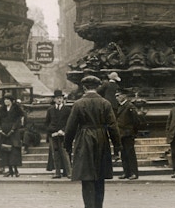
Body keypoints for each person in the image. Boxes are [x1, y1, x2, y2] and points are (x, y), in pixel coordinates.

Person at [64, 75, 121, 208]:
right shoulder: (105, 103)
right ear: (97, 87)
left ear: (84, 87)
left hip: (84, 139)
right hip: (101, 138)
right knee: (100, 177)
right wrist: (117, 146)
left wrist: (67, 145)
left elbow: (70, 127)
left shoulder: (78, 104)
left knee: (86, 177)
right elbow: (113, 126)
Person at [46, 89, 73, 179]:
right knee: (55, 154)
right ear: (54, 100)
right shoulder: (50, 110)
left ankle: (69, 173)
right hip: (53, 135)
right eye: (57, 98)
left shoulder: (67, 110)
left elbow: (69, 123)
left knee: (65, 154)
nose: (59, 100)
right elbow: (47, 123)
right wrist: (52, 132)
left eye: (61, 98)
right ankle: (57, 173)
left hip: (63, 135)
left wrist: (63, 131)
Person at [114, 89, 140, 180]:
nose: (117, 97)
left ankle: (134, 173)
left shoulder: (129, 106)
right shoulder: (121, 106)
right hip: (121, 134)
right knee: (124, 154)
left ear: (124, 96)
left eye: (118, 95)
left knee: (130, 154)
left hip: (128, 134)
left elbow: (136, 121)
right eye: (116, 96)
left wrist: (133, 133)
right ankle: (127, 172)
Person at [0, 93, 23, 177]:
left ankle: (16, 170)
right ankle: (9, 170)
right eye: (5, 99)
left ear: (12, 101)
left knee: (14, 151)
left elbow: (18, 120)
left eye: (8, 99)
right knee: (5, 151)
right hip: (4, 133)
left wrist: (12, 130)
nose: (6, 101)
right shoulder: (2, 109)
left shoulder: (16, 109)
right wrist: (0, 130)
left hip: (13, 133)